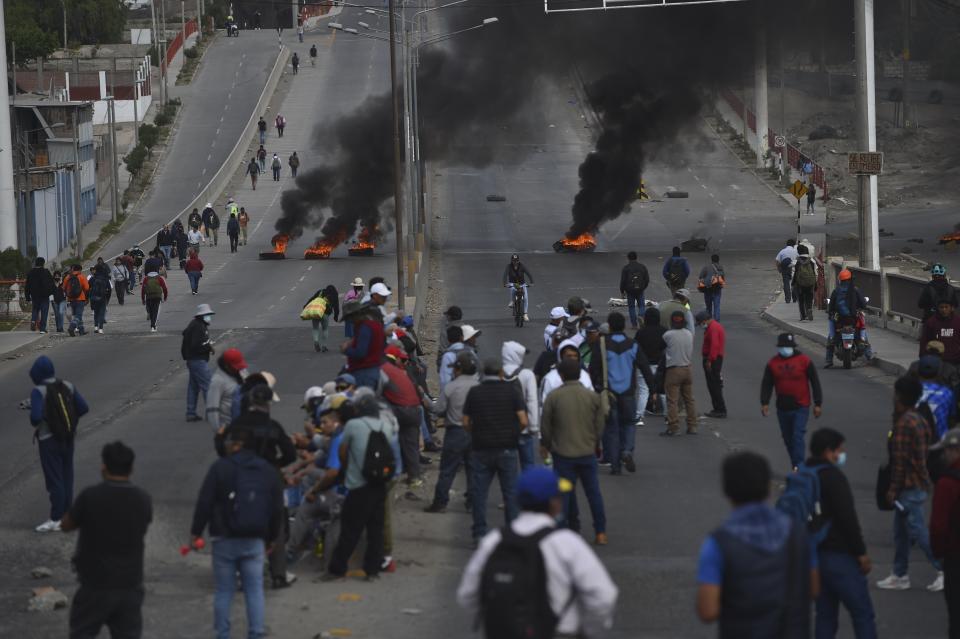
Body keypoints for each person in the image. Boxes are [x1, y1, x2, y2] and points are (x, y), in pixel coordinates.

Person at [457, 467, 618, 638]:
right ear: (554, 503)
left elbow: (467, 595)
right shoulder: (566, 543)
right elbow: (603, 596)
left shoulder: (494, 541)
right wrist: (589, 629)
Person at [696, 451, 813, 637]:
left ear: (726, 490)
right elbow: (814, 586)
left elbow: (708, 611)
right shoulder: (796, 532)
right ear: (768, 488)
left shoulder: (718, 543)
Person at [190, 429, 283, 639]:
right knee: (254, 590)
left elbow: (205, 502)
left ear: (236, 445)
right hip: (254, 539)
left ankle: (223, 634)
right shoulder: (266, 470)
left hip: (224, 538)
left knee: (224, 591)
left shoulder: (220, 468)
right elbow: (277, 507)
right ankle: (256, 633)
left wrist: (196, 533)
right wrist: (272, 537)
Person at [60, 442, 152, 639]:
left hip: (95, 585)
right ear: (131, 469)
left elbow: (66, 525)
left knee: (82, 632)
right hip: (130, 585)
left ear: (104, 467)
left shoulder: (90, 496)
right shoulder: (142, 499)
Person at [217, 382, 298, 589]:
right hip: (269, 479)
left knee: (239, 521)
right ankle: (279, 574)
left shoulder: (236, 426)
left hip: (240, 479)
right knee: (277, 523)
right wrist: (276, 465)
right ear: (268, 404)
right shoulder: (273, 427)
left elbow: (222, 449)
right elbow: (290, 454)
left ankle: (241, 572)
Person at [804, 428, 877, 639]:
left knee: (825, 616)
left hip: (814, 557)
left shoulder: (806, 474)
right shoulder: (833, 477)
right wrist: (860, 552)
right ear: (829, 451)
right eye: (840, 450)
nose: (842, 454)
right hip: (839, 556)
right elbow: (847, 518)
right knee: (862, 613)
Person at [875, 376, 943, 592]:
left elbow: (900, 461)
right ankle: (899, 574)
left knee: (919, 532)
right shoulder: (919, 419)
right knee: (901, 534)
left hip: (908, 486)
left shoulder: (904, 424)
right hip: (917, 483)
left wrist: (893, 489)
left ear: (901, 396)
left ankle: (943, 568)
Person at [322, 391, 397, 581]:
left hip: (358, 485)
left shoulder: (353, 425)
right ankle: (372, 570)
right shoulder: (386, 425)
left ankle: (337, 569)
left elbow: (343, 452)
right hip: (380, 483)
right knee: (376, 530)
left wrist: (350, 469)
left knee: (350, 530)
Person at [541, 358, 608, 544]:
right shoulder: (592, 397)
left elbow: (546, 426)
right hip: (587, 452)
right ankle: (600, 532)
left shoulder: (554, 397)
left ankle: (566, 531)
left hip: (563, 454)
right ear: (580, 374)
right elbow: (600, 423)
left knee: (564, 494)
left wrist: (546, 444)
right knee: (593, 492)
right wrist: (595, 441)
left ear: (561, 376)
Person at [463, 358, 528, 545]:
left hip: (481, 448)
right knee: (510, 493)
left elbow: (466, 422)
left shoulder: (475, 393)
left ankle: (479, 533)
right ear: (501, 374)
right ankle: (512, 534)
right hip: (507, 448)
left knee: (479, 493)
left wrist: (476, 432)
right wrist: (512, 434)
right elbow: (523, 421)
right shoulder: (512, 392)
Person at [29, 355, 90, 532]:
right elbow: (83, 407)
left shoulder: (38, 391)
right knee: (67, 475)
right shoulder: (67, 385)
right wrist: (69, 421)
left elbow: (35, 419)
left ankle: (56, 518)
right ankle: (68, 515)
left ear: (37, 373)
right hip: (68, 437)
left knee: (54, 478)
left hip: (48, 440)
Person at [589, 311, 654, 474]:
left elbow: (593, 369)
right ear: (624, 326)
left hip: (608, 393)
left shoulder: (602, 344)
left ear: (609, 326)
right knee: (629, 424)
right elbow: (645, 367)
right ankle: (627, 451)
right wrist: (653, 389)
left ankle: (615, 465)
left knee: (611, 428)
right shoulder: (633, 344)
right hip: (628, 393)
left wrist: (594, 388)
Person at [424, 352, 479, 514]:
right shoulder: (478, 386)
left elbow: (438, 409)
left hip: (455, 432)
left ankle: (440, 502)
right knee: (473, 469)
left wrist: (425, 401)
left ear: (459, 369)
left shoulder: (451, 387)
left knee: (448, 469)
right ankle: (472, 502)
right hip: (474, 433)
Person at [761, 333, 823, 469]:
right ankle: (795, 464)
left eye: (788, 347)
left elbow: (815, 382)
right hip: (782, 407)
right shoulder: (773, 363)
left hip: (801, 406)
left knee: (797, 436)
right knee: (788, 439)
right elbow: (767, 383)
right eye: (783, 347)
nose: (785, 349)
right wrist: (764, 402)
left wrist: (818, 403)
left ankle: (799, 467)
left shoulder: (804, 361)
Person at [380, 345, 425, 487]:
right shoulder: (398, 372)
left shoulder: (382, 370)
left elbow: (376, 392)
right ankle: (415, 477)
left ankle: (394, 474)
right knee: (411, 445)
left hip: (401, 410)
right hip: (415, 409)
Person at [930, 427, 960, 636]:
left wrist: (939, 553)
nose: (944, 455)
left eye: (947, 451)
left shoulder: (947, 483)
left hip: (955, 555)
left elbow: (938, 527)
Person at [502, 340, 540, 471]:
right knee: (528, 463)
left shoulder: (498, 373)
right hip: (523, 426)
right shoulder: (527, 374)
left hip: (504, 428)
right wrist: (534, 425)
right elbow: (532, 400)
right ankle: (529, 489)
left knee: (507, 466)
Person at [660, 311, 698, 437]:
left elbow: (663, 348)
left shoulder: (668, 335)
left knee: (672, 400)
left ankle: (673, 427)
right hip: (687, 368)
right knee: (689, 399)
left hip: (673, 369)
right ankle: (692, 426)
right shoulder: (688, 334)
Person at [826, 269, 873, 367]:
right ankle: (869, 355)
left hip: (840, 319)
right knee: (862, 330)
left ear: (840, 280)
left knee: (831, 337)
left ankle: (828, 360)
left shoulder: (836, 291)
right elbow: (863, 304)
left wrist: (831, 312)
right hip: (853, 318)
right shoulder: (855, 290)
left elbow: (831, 308)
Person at [181, 304, 215, 423]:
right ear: (202, 315)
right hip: (198, 360)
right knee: (208, 386)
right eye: (207, 315)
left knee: (193, 387)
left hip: (192, 359)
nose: (209, 317)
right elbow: (196, 345)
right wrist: (207, 347)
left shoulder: (196, 324)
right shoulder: (198, 327)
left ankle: (191, 413)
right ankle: (211, 413)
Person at [341, 301, 386, 389]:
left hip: (364, 373)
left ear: (355, 315)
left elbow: (360, 353)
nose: (350, 321)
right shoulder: (375, 325)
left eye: (350, 318)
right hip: (374, 369)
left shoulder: (365, 328)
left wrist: (346, 349)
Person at [635, 306, 666, 422]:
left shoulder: (641, 332)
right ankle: (668, 415)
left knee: (643, 391)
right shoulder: (664, 331)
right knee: (663, 391)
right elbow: (666, 348)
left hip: (644, 365)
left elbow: (636, 347)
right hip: (660, 365)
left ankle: (639, 416)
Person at [206, 348, 248, 432]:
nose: (238, 369)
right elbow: (212, 408)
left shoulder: (241, 372)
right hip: (229, 427)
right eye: (235, 367)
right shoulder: (218, 381)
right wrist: (219, 431)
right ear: (226, 365)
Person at [918, 355, 957, 439]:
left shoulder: (911, 390)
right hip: (940, 441)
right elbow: (952, 418)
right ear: (938, 373)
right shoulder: (947, 393)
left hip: (915, 441)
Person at [698, 310, 727, 419]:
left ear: (705, 320)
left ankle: (720, 409)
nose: (701, 325)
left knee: (714, 385)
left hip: (713, 359)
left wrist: (710, 360)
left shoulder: (713, 328)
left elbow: (714, 345)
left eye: (701, 322)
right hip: (714, 358)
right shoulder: (714, 326)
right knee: (713, 384)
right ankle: (717, 408)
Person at [922, 299, 960, 366]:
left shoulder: (957, 322)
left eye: (946, 307)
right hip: (936, 360)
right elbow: (924, 341)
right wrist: (923, 357)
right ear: (938, 308)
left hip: (955, 361)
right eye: (941, 307)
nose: (944, 310)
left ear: (951, 308)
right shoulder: (931, 322)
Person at [303, 285, 340, 352]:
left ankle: (316, 341)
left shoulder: (320, 292)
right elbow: (336, 306)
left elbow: (312, 299)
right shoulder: (334, 295)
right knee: (325, 329)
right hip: (325, 314)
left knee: (315, 328)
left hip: (316, 312)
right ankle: (324, 346)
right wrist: (336, 316)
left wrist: (305, 306)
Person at [619, 251, 649, 329]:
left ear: (628, 258)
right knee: (642, 305)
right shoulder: (642, 267)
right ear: (636, 257)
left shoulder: (626, 268)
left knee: (631, 307)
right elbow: (647, 279)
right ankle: (641, 316)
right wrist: (643, 287)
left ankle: (634, 325)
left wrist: (622, 291)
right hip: (640, 290)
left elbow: (623, 281)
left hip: (630, 290)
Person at [25, 257, 55, 333]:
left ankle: (33, 320)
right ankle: (42, 329)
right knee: (44, 312)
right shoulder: (46, 272)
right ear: (43, 263)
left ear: (35, 263)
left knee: (35, 309)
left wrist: (27, 296)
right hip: (44, 295)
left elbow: (27, 285)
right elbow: (51, 283)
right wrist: (52, 292)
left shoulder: (30, 272)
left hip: (34, 295)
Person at [502, 253, 534, 321]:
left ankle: (525, 314)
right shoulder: (508, 266)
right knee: (512, 289)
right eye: (513, 260)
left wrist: (532, 282)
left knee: (525, 298)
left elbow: (529, 273)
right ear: (511, 260)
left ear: (518, 260)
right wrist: (505, 283)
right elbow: (505, 275)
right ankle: (512, 301)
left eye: (516, 260)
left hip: (522, 284)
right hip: (513, 283)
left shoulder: (522, 266)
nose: (515, 262)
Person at [793, 244, 819, 321]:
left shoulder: (797, 261)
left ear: (798, 252)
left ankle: (803, 316)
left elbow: (795, 273)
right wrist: (815, 284)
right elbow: (815, 273)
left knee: (801, 300)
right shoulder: (812, 261)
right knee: (809, 298)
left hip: (800, 284)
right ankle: (809, 309)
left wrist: (793, 283)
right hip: (810, 284)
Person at [64, 264, 90, 337]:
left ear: (73, 269)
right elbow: (87, 288)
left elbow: (63, 288)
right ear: (80, 270)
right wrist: (87, 298)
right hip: (80, 298)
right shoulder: (81, 277)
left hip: (71, 299)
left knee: (76, 315)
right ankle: (71, 327)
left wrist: (68, 295)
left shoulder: (68, 277)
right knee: (78, 316)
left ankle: (81, 330)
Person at [697, 254, 725, 321]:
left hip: (708, 289)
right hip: (717, 290)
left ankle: (708, 320)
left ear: (711, 260)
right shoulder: (720, 267)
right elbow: (722, 278)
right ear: (718, 260)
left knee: (708, 307)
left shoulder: (706, 267)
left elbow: (700, 276)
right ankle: (716, 322)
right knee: (717, 307)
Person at [88, 262, 112, 335]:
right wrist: (107, 298)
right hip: (102, 297)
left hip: (94, 297)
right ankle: (100, 328)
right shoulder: (105, 278)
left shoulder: (92, 278)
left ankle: (95, 327)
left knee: (96, 312)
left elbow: (88, 288)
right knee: (102, 313)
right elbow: (109, 289)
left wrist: (89, 298)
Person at [776, 239, 799, 303]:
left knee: (786, 284)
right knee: (794, 283)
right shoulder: (796, 251)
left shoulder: (782, 251)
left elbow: (777, 261)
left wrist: (779, 269)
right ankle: (795, 299)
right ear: (793, 245)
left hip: (785, 269)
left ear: (787, 244)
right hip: (794, 268)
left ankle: (788, 299)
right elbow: (799, 259)